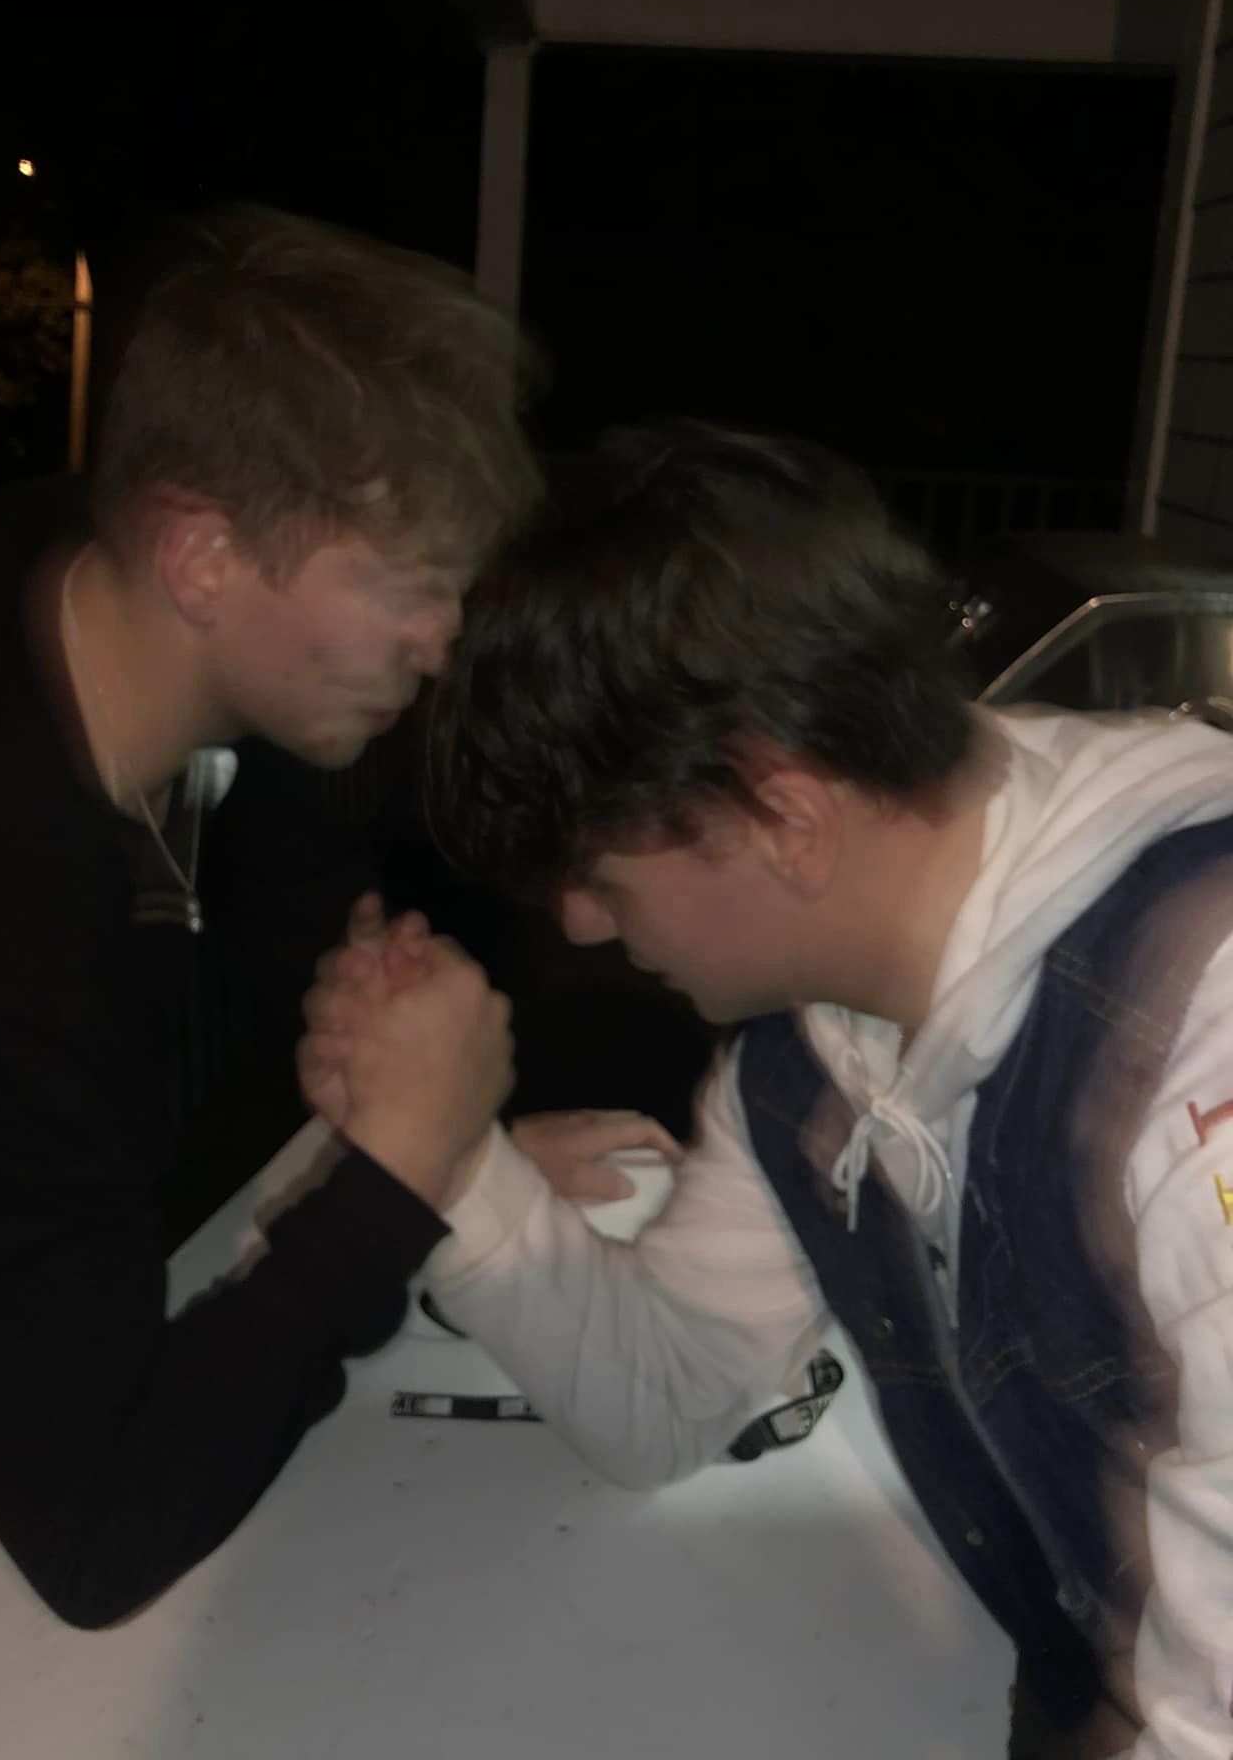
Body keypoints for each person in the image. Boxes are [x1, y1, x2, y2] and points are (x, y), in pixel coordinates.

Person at [0, 205, 541, 1699]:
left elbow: (298, 886)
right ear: (202, 555)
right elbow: (105, 1526)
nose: (442, 640)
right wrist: (402, 1179)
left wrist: (471, 1139)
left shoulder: (54, 555)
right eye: (411, 584)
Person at [300, 419, 1233, 1760]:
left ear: (785, 819)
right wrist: (443, 1154)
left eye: (596, 873)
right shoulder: (813, 1058)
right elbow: (666, 1397)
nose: (576, 923)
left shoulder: (1198, 1051)